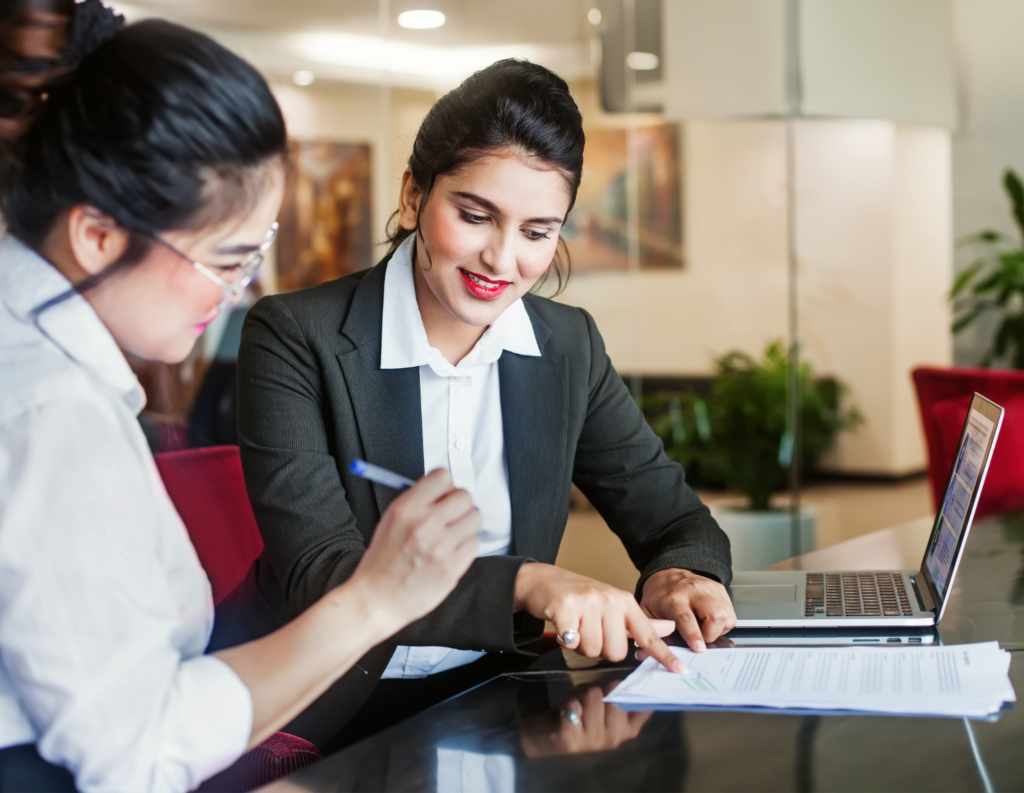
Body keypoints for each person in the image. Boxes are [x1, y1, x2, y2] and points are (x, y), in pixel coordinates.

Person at [0, 8, 481, 792]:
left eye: (254, 255)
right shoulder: (50, 412)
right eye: (227, 259)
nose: (235, 295)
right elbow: (136, 752)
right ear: (96, 235)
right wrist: (374, 598)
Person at [230, 58, 737, 749]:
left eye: (537, 231)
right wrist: (528, 584)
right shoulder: (294, 336)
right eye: (475, 215)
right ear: (413, 196)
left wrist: (682, 574)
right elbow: (324, 574)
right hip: (326, 706)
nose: (502, 258)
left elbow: (674, 518)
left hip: (504, 698)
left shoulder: (568, 347)